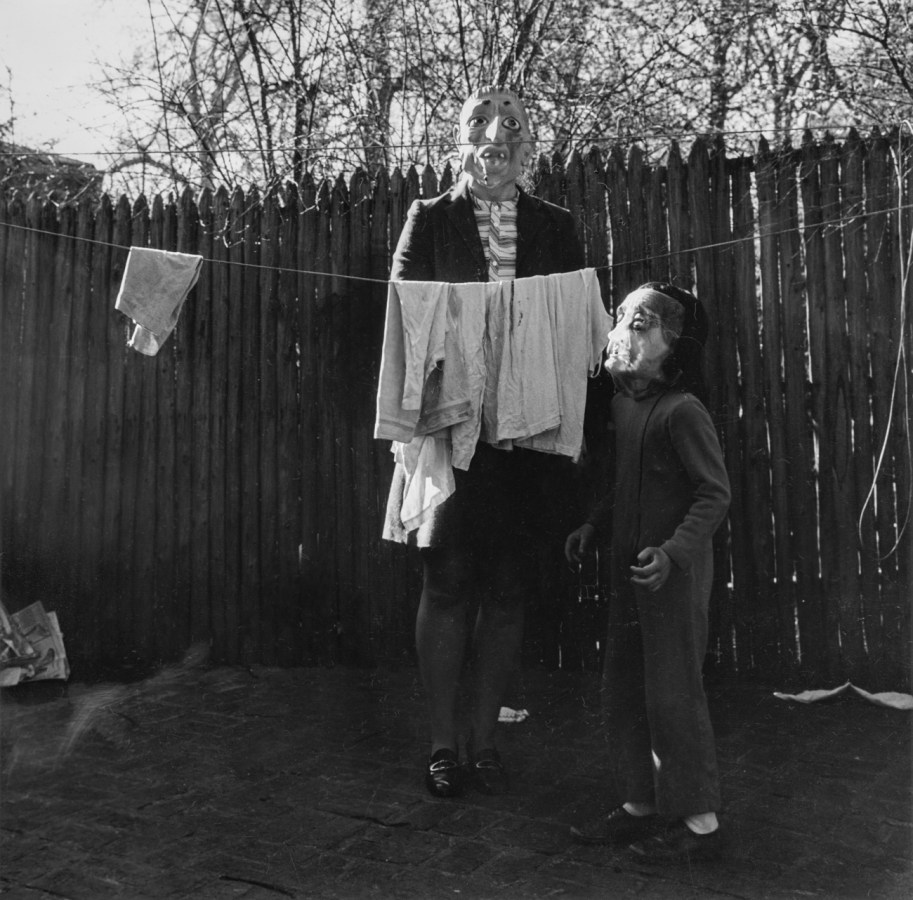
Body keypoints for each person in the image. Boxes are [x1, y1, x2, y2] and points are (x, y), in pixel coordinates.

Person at [383, 85, 589, 798]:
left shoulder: (554, 224)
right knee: (446, 580)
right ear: (459, 137)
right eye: (479, 119)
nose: (495, 132)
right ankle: (442, 746)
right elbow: (404, 308)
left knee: (507, 586)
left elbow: (572, 324)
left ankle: (483, 742)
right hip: (453, 423)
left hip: (527, 430)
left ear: (529, 145)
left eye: (512, 123)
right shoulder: (429, 217)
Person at [564, 282, 731, 862]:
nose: (624, 334)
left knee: (672, 696)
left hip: (673, 582)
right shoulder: (624, 405)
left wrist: (675, 552)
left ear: (676, 347)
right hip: (629, 577)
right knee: (623, 689)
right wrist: (593, 523)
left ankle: (700, 820)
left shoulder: (683, 413)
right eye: (625, 321)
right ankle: (639, 803)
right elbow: (623, 482)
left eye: (642, 326)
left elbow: (714, 494)